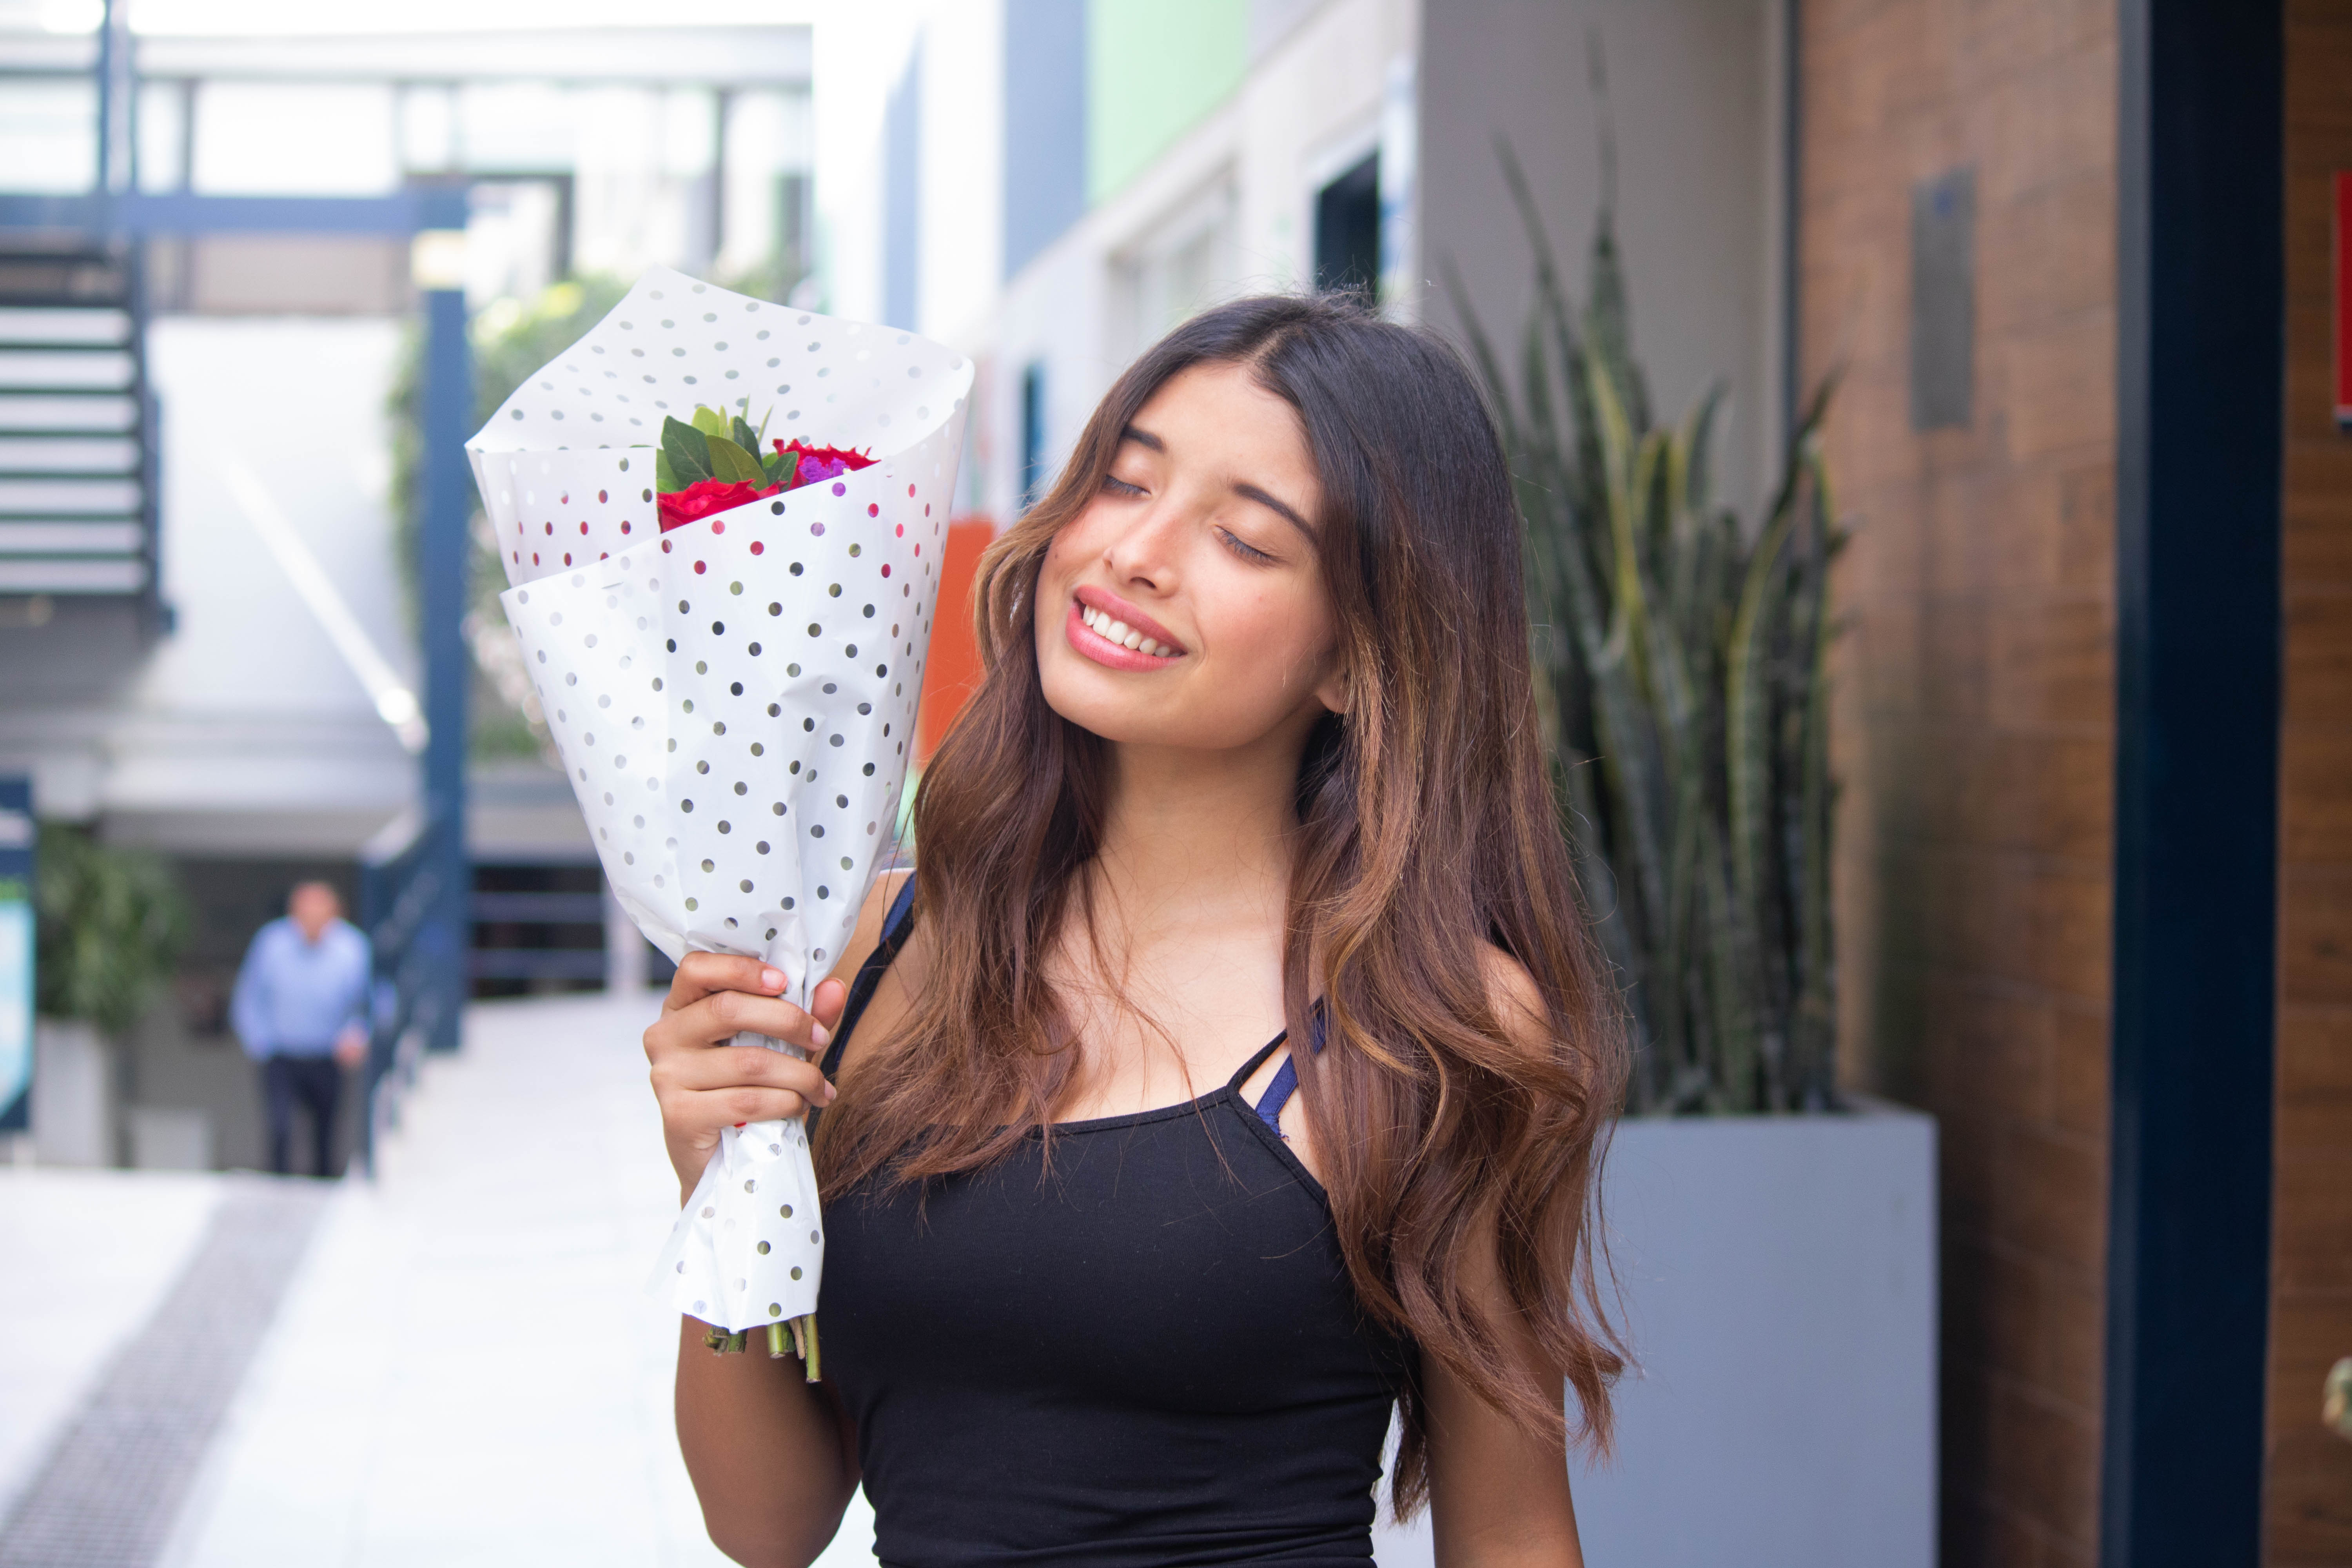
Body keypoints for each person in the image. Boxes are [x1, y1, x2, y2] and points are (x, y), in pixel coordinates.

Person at [644, 295, 1628, 1567]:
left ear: (1358, 656)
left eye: (1245, 539)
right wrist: (723, 1187)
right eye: (1124, 482)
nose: (1137, 551)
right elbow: (766, 1526)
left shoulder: (1428, 1025)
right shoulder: (874, 948)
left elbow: (1512, 1536)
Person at [231, 880, 370, 1178]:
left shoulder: (353, 947)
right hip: (281, 1054)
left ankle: (323, 1196)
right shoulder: (271, 943)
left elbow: (367, 1003)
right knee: (280, 1129)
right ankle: (277, 1192)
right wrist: (260, 1044)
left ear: (335, 915)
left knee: (326, 1136)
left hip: (328, 1056)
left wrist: (357, 1034)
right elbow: (249, 996)